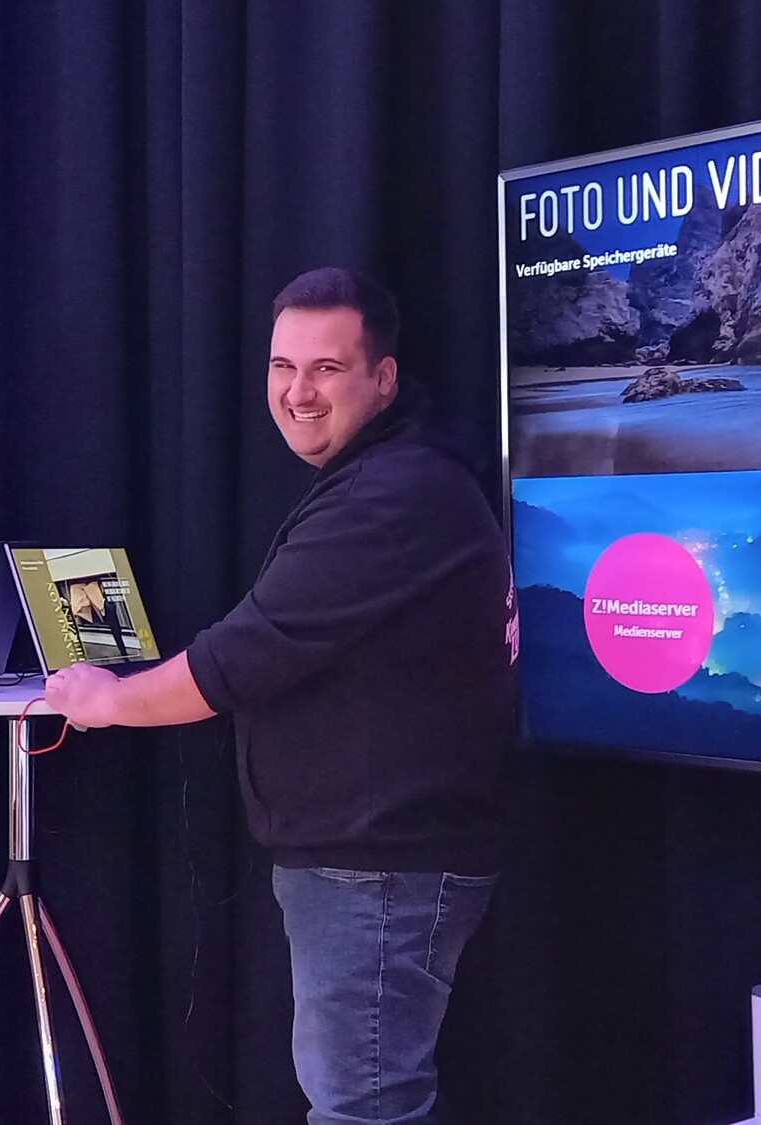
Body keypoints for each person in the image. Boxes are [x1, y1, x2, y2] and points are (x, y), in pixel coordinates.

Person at [45, 268, 517, 1124]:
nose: (298, 392)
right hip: (373, 860)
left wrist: (104, 698)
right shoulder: (393, 476)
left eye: (327, 368)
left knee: (364, 1108)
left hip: (379, 866)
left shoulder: (391, 493)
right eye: (282, 367)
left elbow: (236, 662)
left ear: (384, 377)